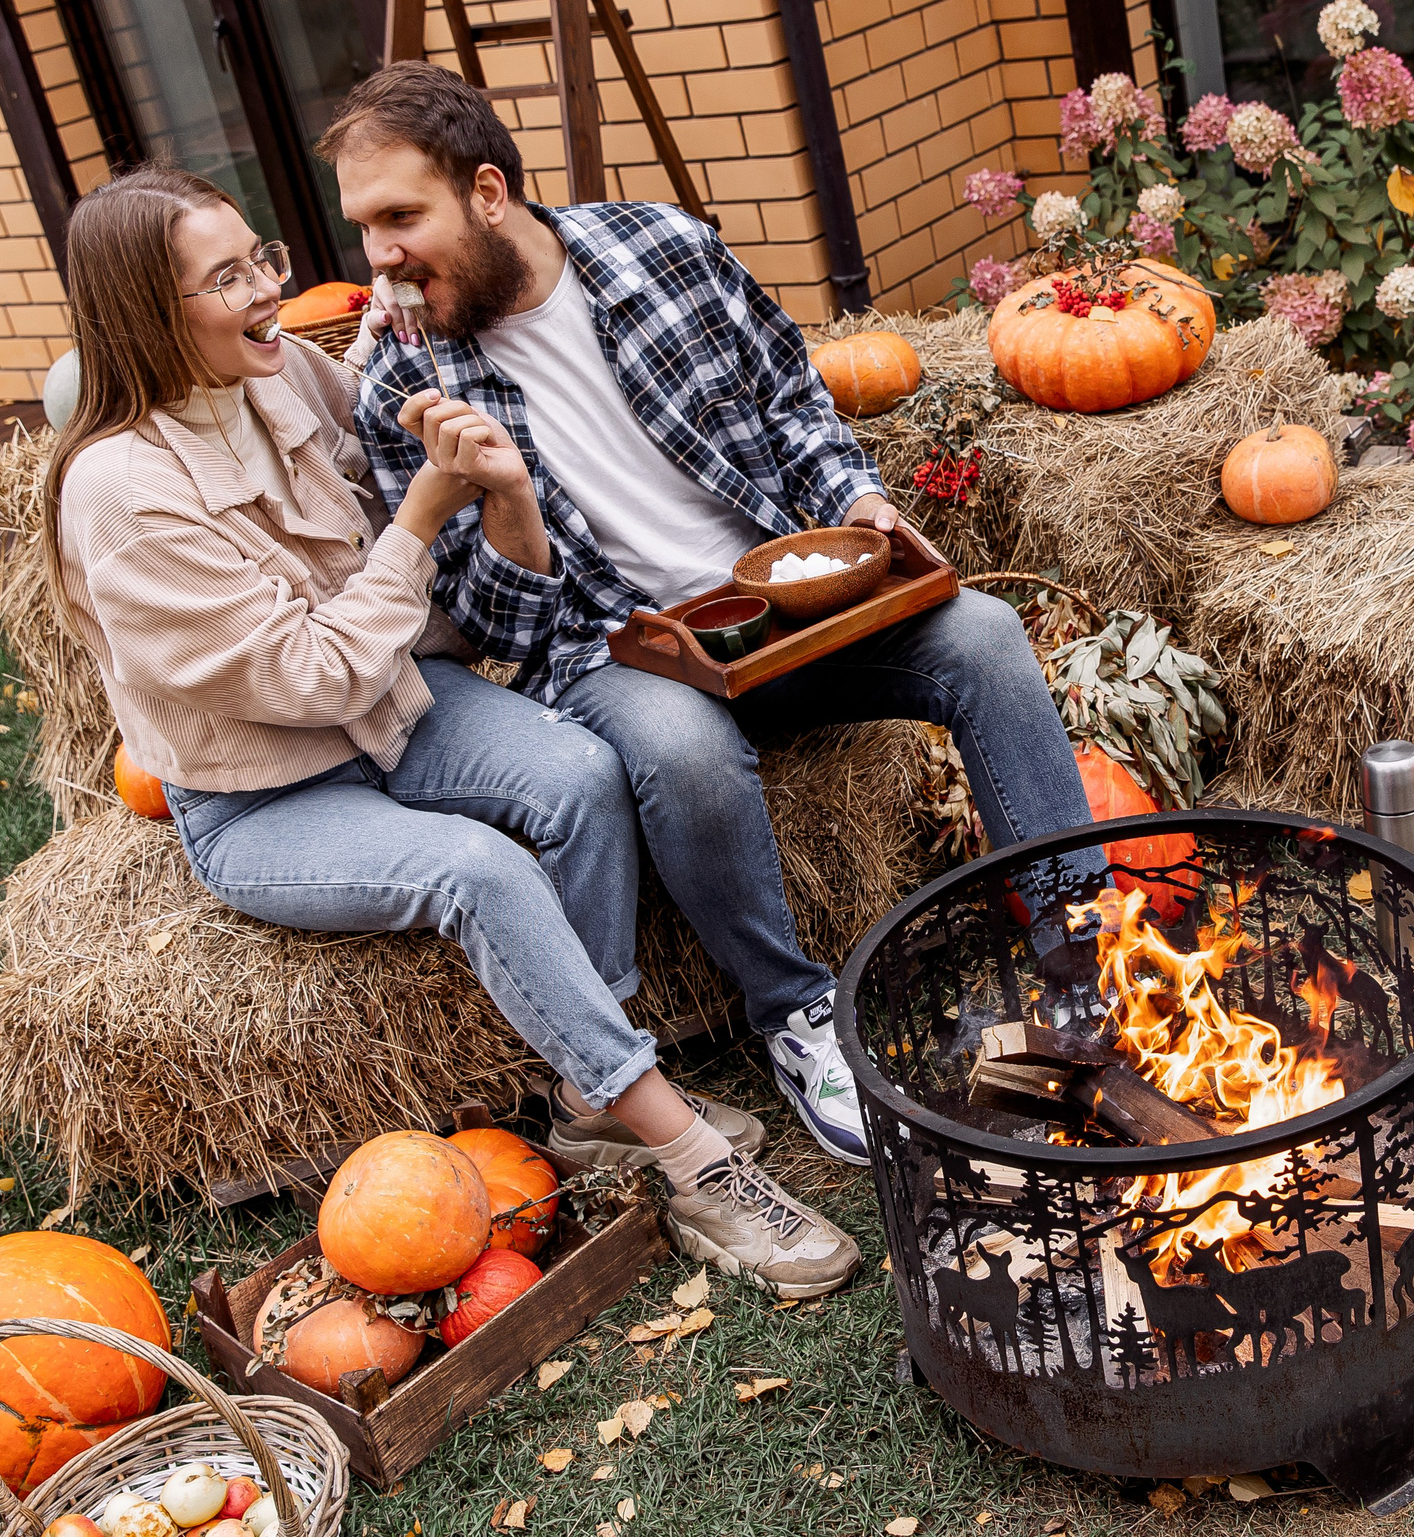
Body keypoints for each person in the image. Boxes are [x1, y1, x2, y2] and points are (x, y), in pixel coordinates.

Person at [42, 162, 859, 1296]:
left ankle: (589, 1099)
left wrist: (430, 398)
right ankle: (691, 1160)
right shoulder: (117, 494)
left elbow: (385, 457)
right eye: (226, 278)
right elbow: (312, 675)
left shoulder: (288, 379)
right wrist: (423, 515)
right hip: (269, 793)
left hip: (396, 707)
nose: (268, 290)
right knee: (478, 871)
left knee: (580, 772)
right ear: (146, 311)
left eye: (261, 257)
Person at [322, 63, 1101, 1167]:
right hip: (617, 648)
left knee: (984, 635)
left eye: (401, 218)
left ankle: (1078, 956)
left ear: (487, 193)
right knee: (683, 751)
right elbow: (506, 632)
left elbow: (792, 399)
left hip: (782, 600)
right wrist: (502, 501)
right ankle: (797, 1013)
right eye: (363, 228)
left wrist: (857, 503)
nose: (380, 257)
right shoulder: (401, 384)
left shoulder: (663, 248)